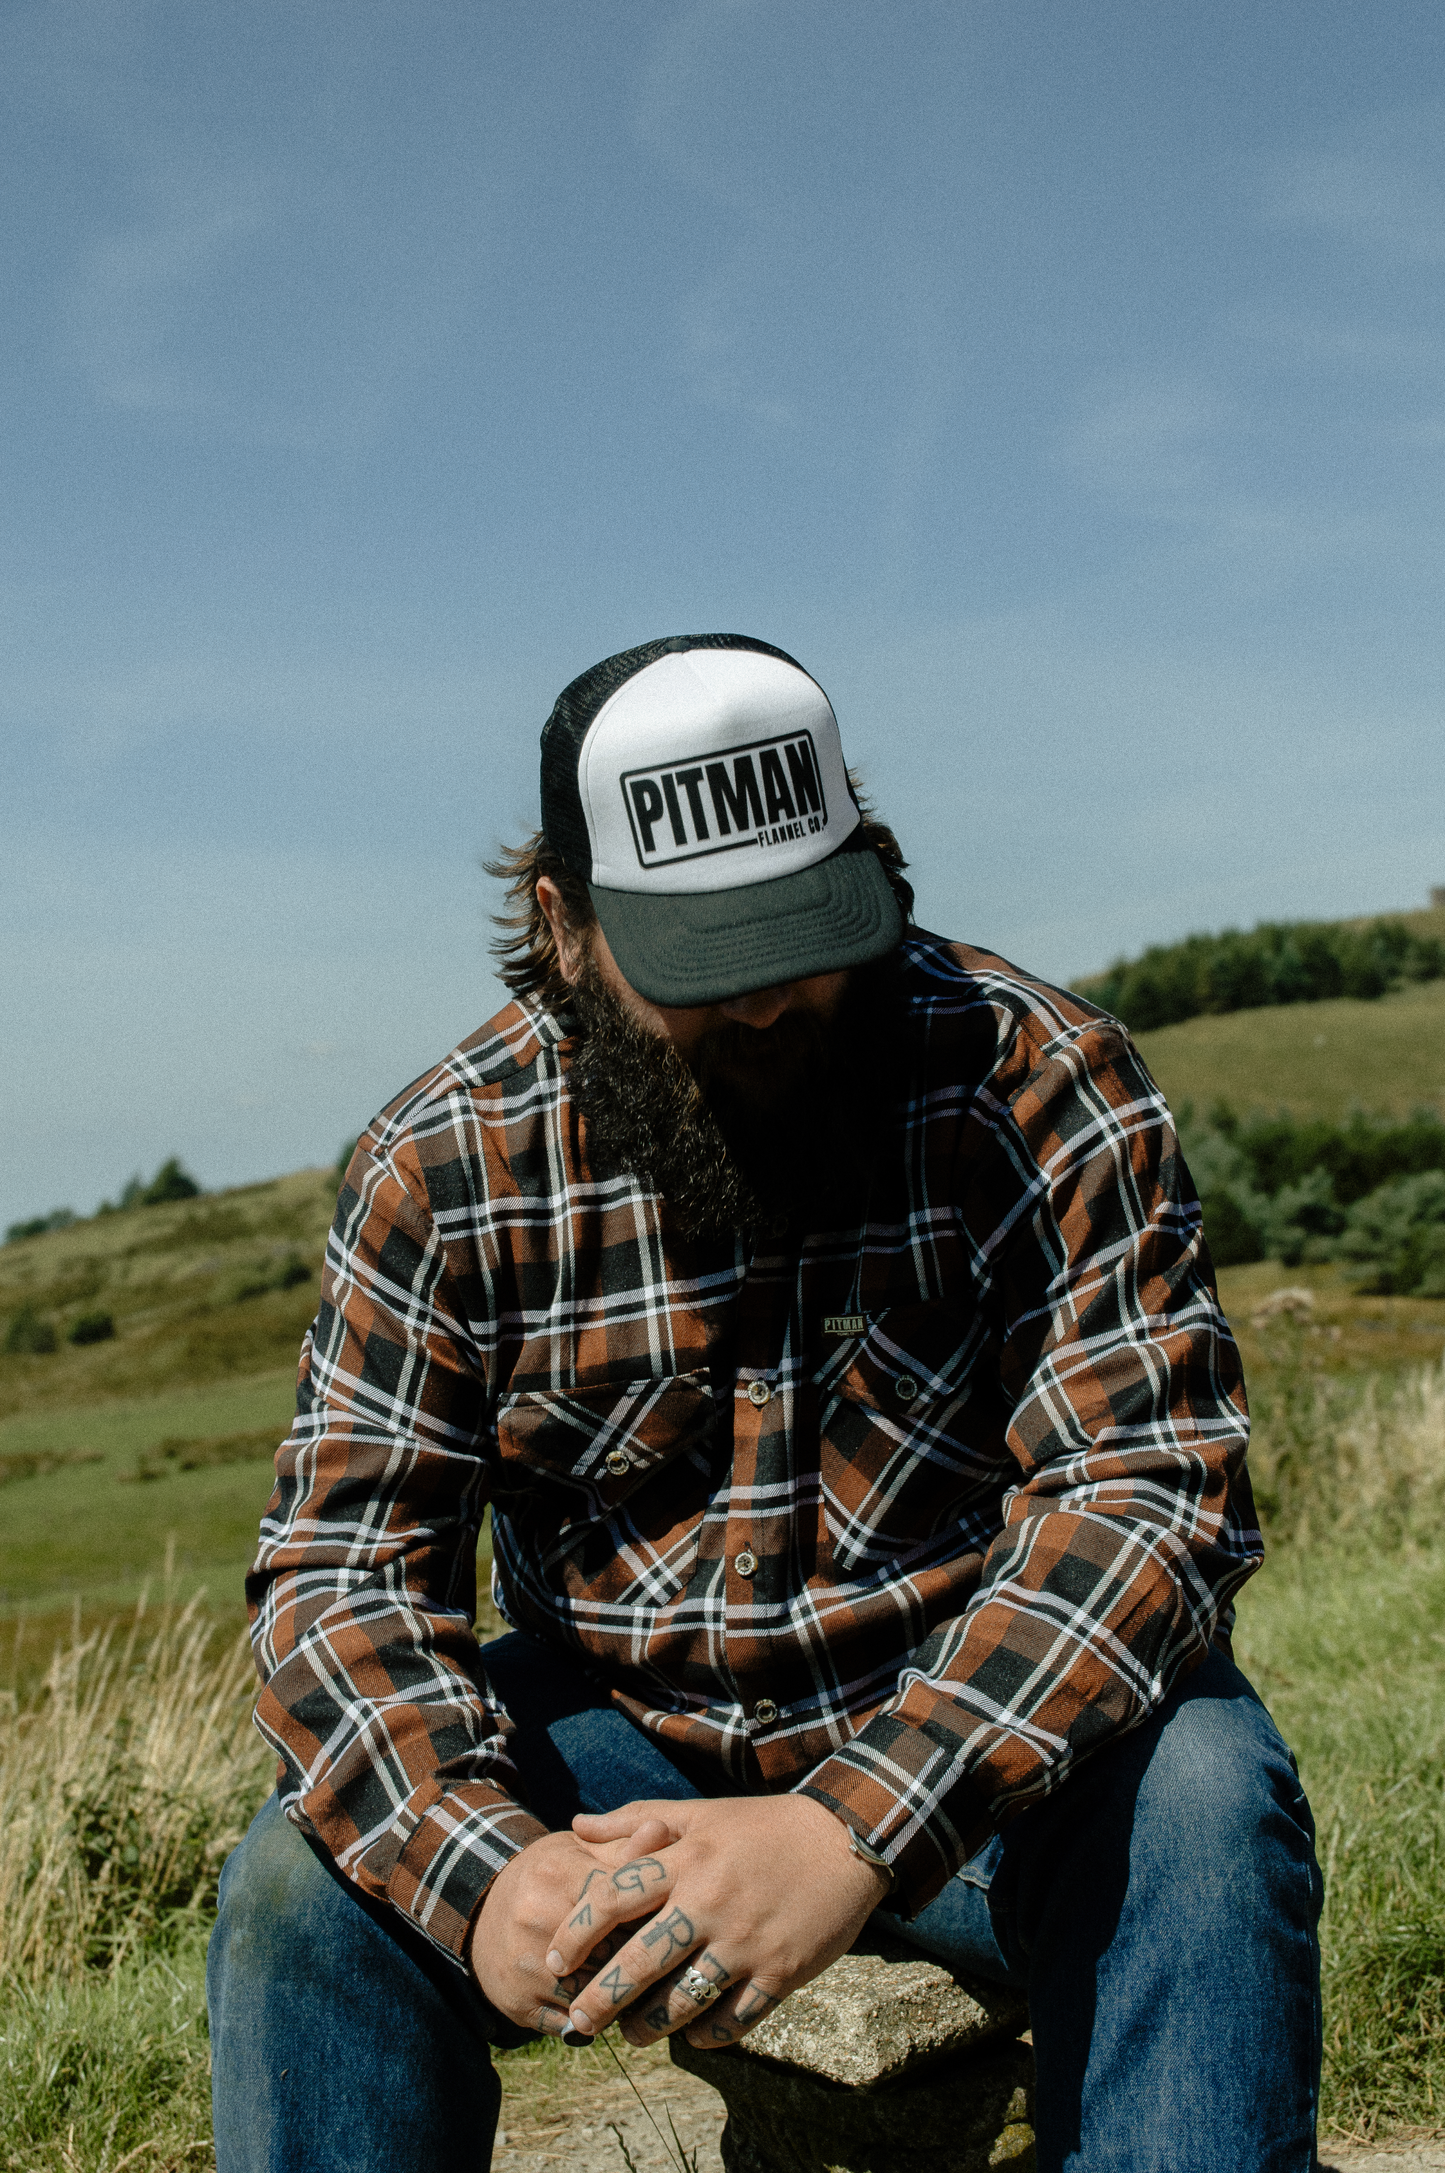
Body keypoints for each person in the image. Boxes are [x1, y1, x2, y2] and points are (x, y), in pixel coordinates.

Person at [208, 633, 1323, 2172]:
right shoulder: (444, 1165)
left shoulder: (1037, 1080)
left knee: (1204, 1792)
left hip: (971, 1746)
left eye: (805, 938)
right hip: (616, 1745)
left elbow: (1151, 1500)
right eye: (699, 965)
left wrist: (850, 1829)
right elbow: (336, 1581)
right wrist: (490, 1878)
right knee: (296, 1885)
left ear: (866, 860)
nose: (763, 1009)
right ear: (567, 926)